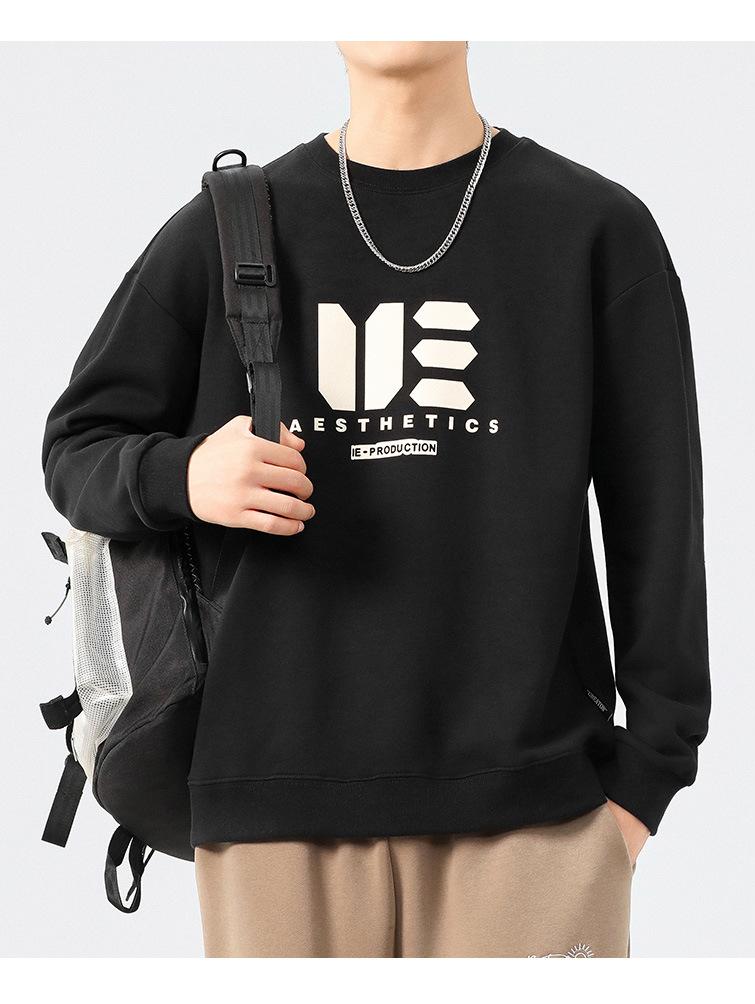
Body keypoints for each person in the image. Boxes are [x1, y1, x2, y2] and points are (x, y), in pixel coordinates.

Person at [42, 41, 710, 957]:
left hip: (537, 808)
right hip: (272, 809)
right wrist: (185, 475)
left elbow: (659, 516)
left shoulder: (592, 228)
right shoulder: (227, 229)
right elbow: (75, 446)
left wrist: (648, 778)